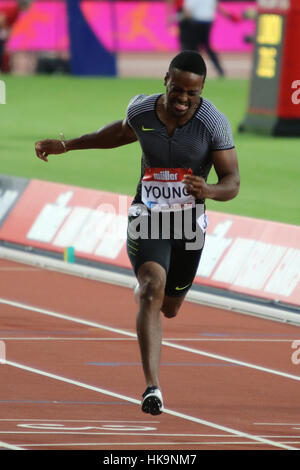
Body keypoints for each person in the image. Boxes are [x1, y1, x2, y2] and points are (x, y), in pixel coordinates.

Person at [35, 51, 240, 415]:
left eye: (191, 94)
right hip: (147, 214)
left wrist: (208, 191)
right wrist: (67, 145)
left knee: (171, 308)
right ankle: (152, 388)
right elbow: (115, 134)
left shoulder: (214, 123)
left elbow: (232, 182)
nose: (182, 100)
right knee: (151, 291)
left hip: (189, 223)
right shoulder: (142, 110)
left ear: (202, 90)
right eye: (177, 90)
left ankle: (154, 291)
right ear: (165, 80)